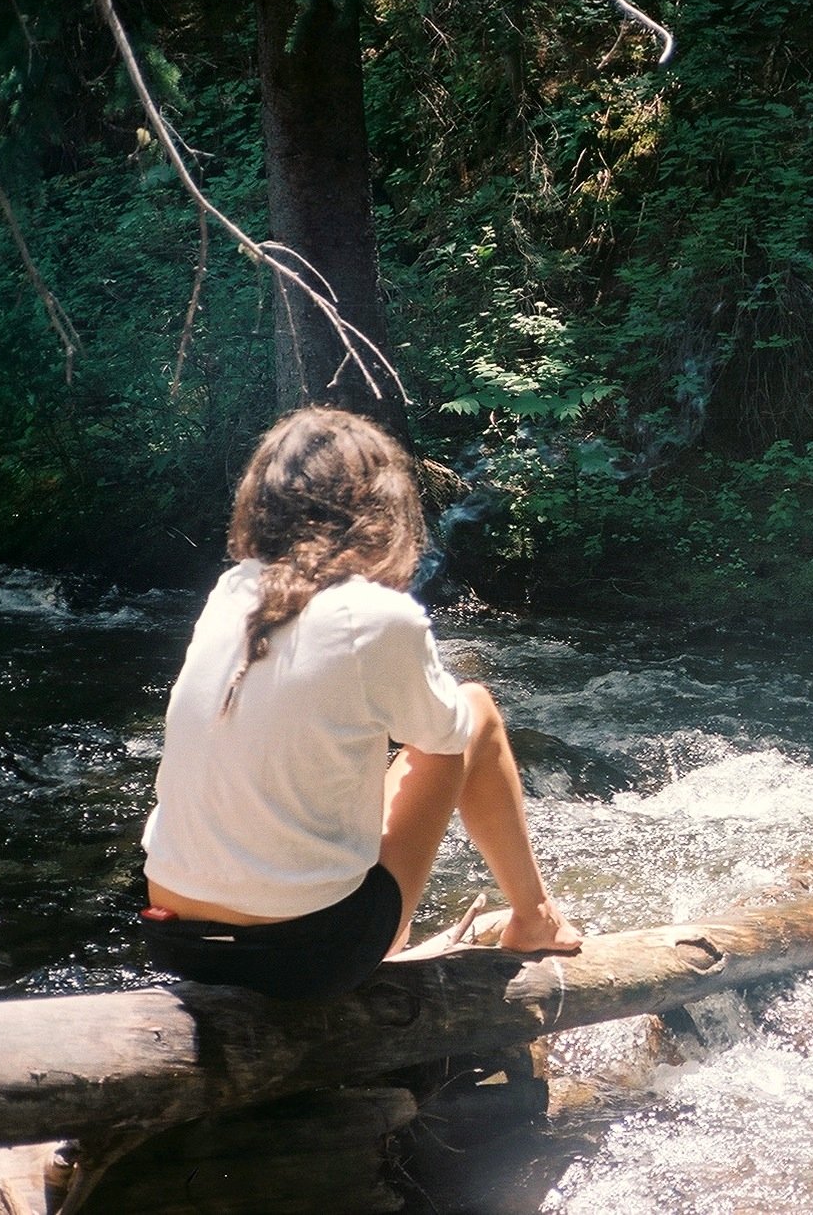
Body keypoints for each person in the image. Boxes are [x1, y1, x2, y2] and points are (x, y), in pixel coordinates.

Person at [139, 406, 582, 1000]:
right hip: (305, 956)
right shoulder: (376, 616)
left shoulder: (233, 590)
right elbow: (447, 740)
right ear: (382, 510)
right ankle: (535, 919)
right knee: (473, 711)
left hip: (175, 939)